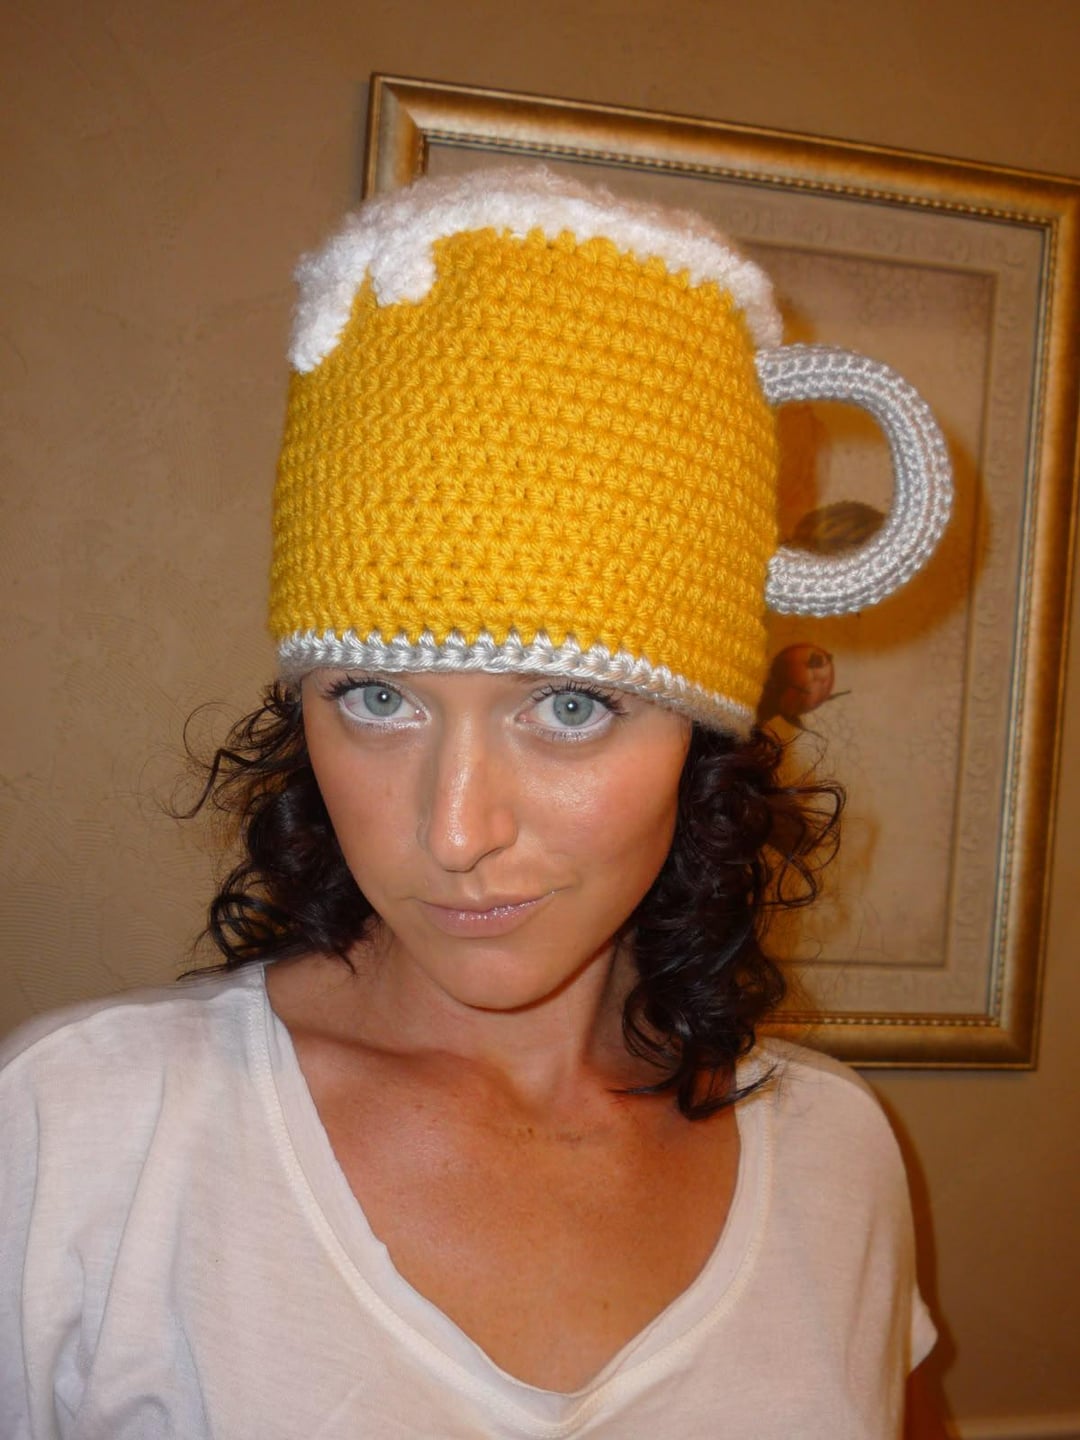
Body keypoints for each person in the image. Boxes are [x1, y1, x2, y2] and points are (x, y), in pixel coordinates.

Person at [0, 166, 952, 1438]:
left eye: (570, 707)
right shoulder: (83, 1135)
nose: (455, 832)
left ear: (704, 735)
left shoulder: (838, 1156)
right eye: (376, 698)